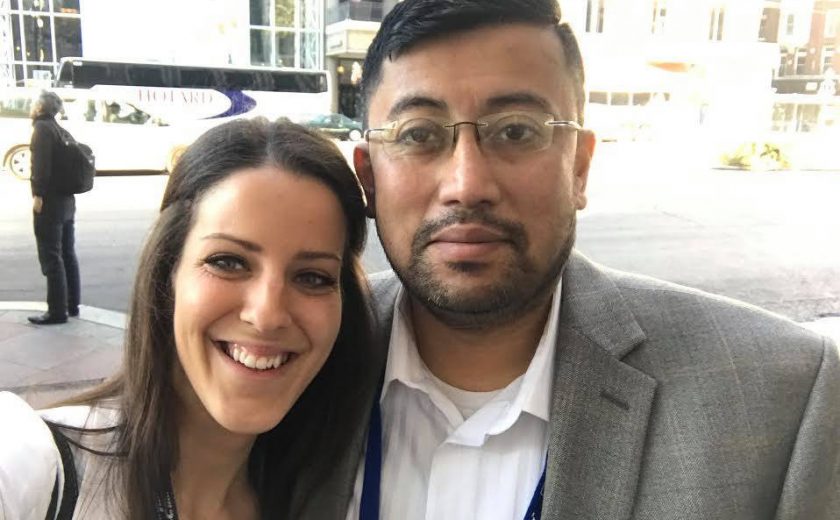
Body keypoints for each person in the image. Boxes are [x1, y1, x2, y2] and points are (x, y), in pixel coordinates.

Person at [285, 1, 840, 519]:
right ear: (367, 177)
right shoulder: (293, 361)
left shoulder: (781, 397)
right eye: (419, 135)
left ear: (579, 167)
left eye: (518, 131)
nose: (467, 184)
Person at [0, 119, 375, 519]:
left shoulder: (327, 494)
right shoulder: (34, 463)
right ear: (167, 272)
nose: (267, 315)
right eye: (228, 262)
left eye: (313, 277)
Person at [28, 90, 81, 325]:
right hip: (67, 202)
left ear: (40, 107)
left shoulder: (42, 130)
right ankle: (72, 305)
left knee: (51, 256)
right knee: (67, 253)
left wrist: (37, 195)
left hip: (51, 202)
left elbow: (40, 167)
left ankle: (56, 311)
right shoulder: (61, 130)